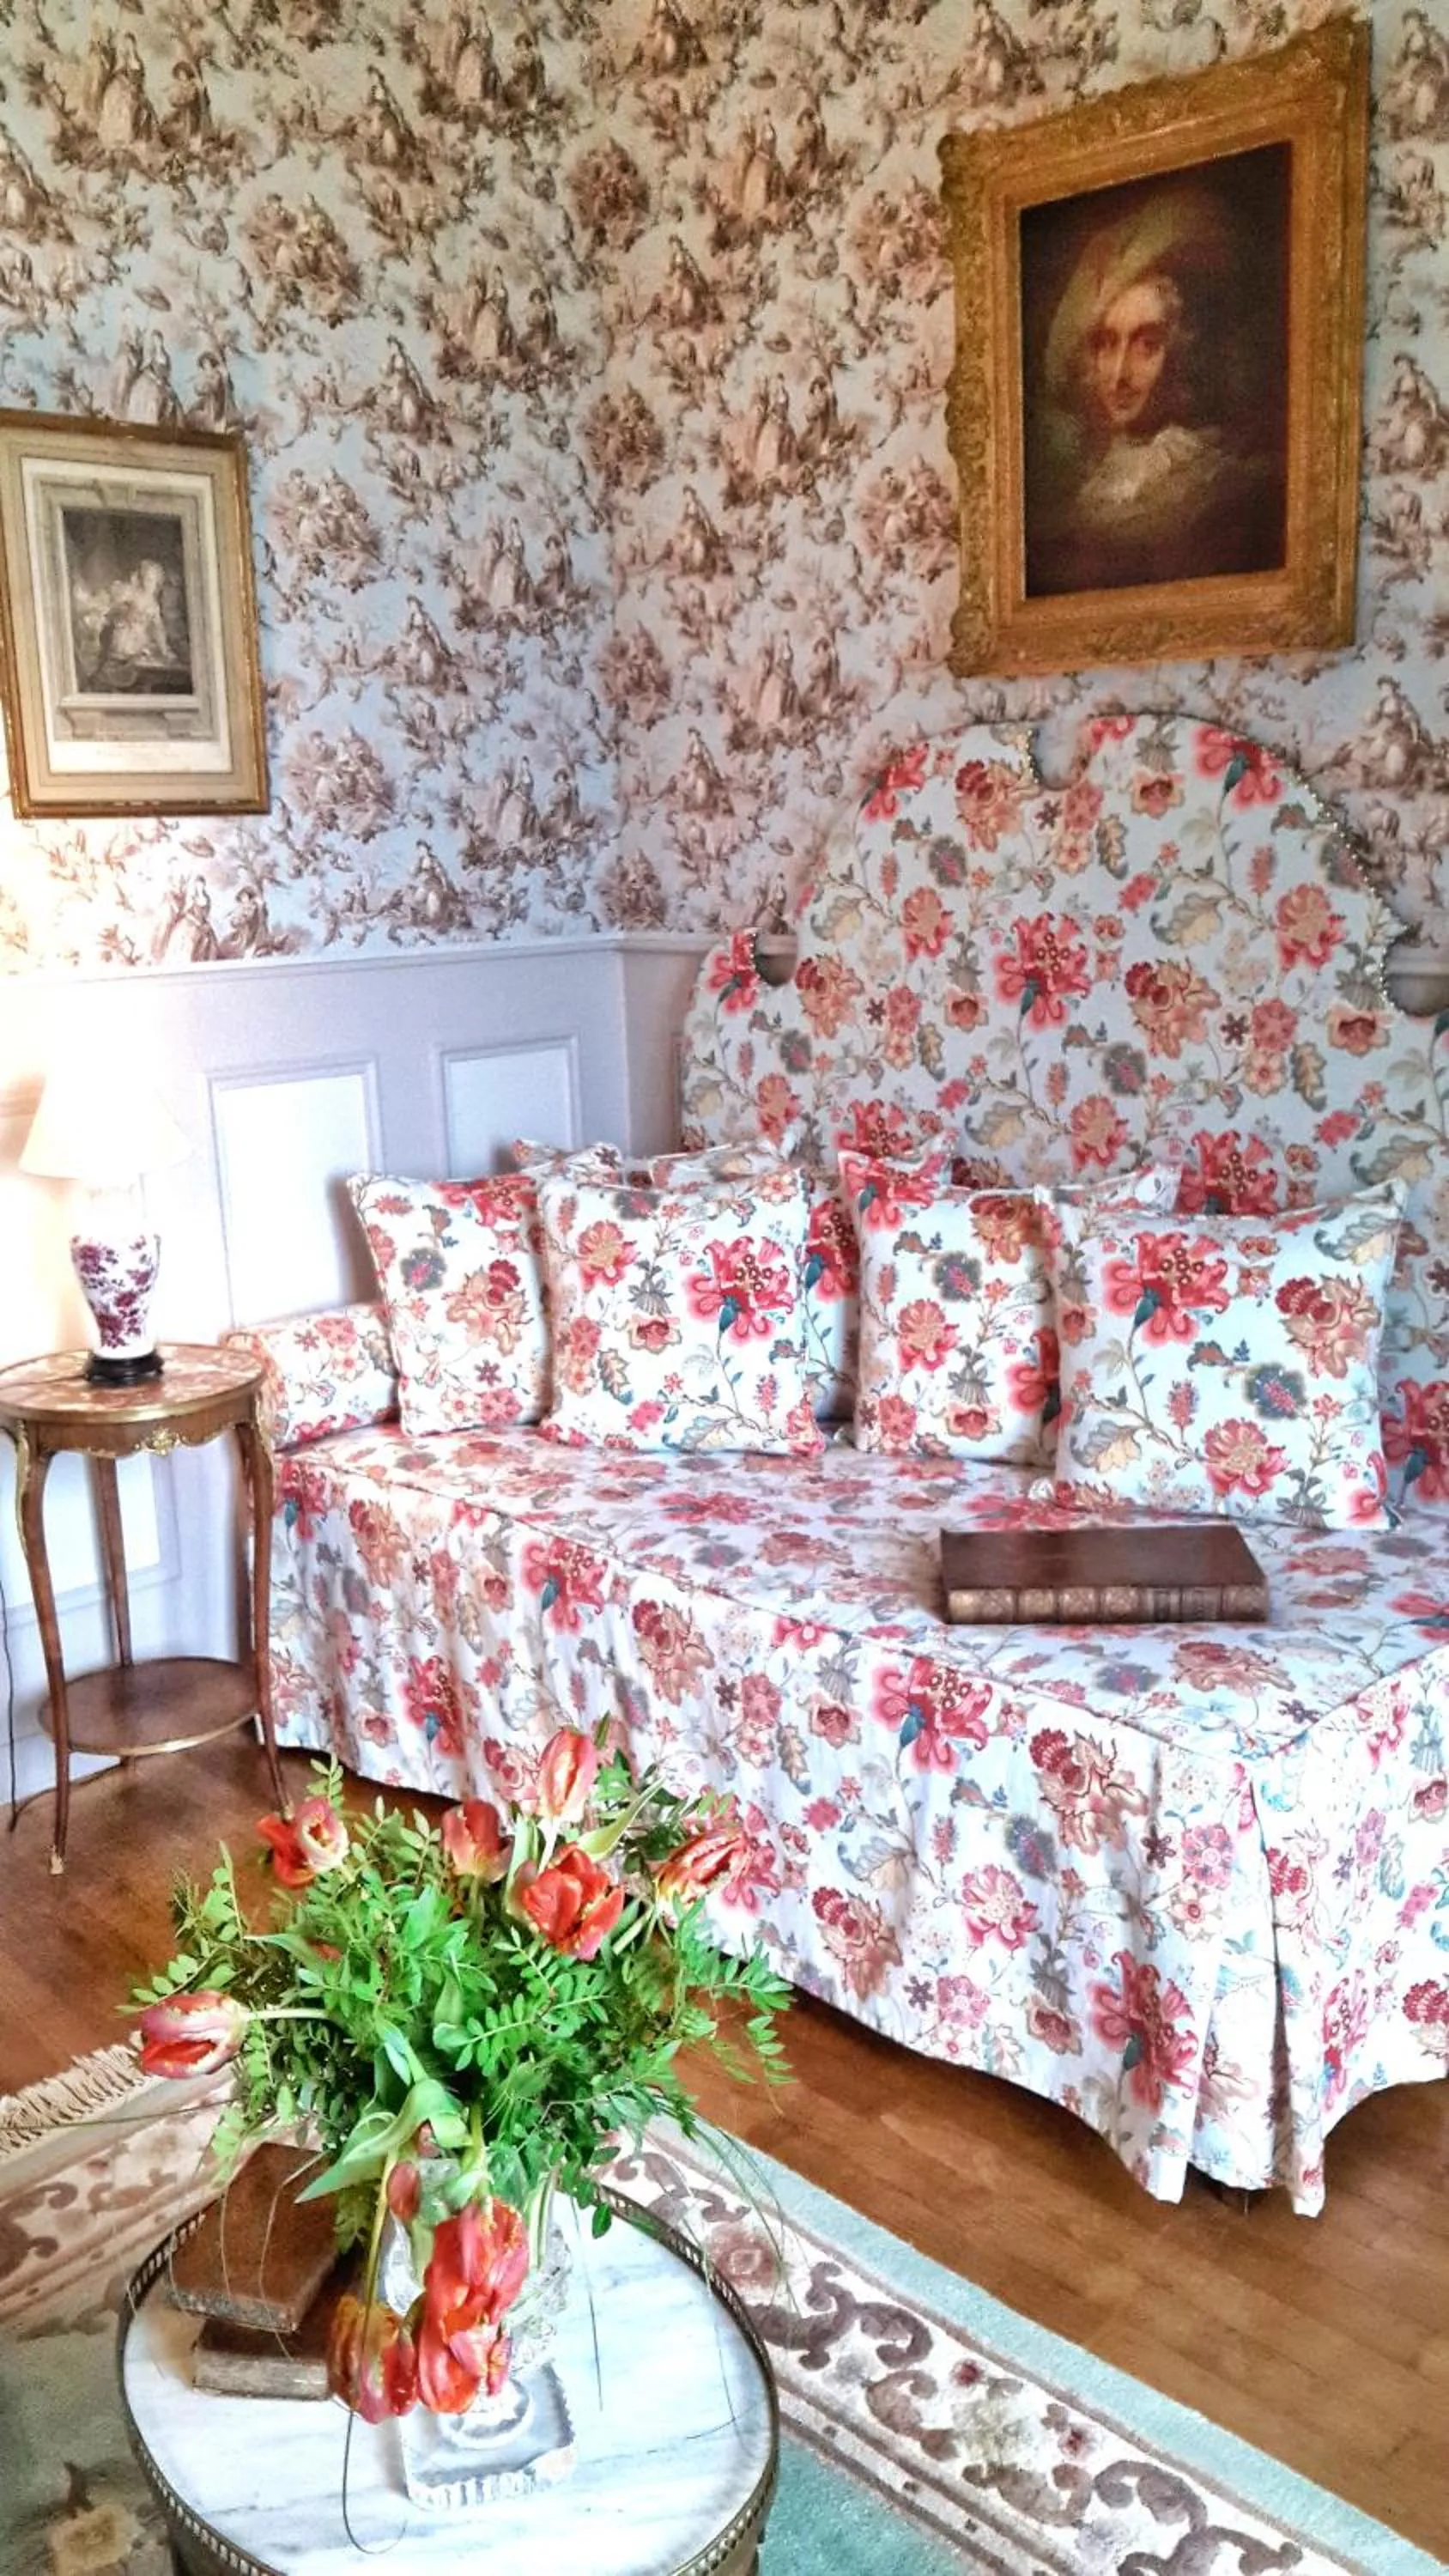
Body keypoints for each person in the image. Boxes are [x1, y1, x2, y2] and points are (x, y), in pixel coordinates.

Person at [1024, 181, 1286, 597]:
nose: (1118, 375)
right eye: (1107, 344)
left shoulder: (1216, 481)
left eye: (1147, 345)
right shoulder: (1093, 482)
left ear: (1181, 352)